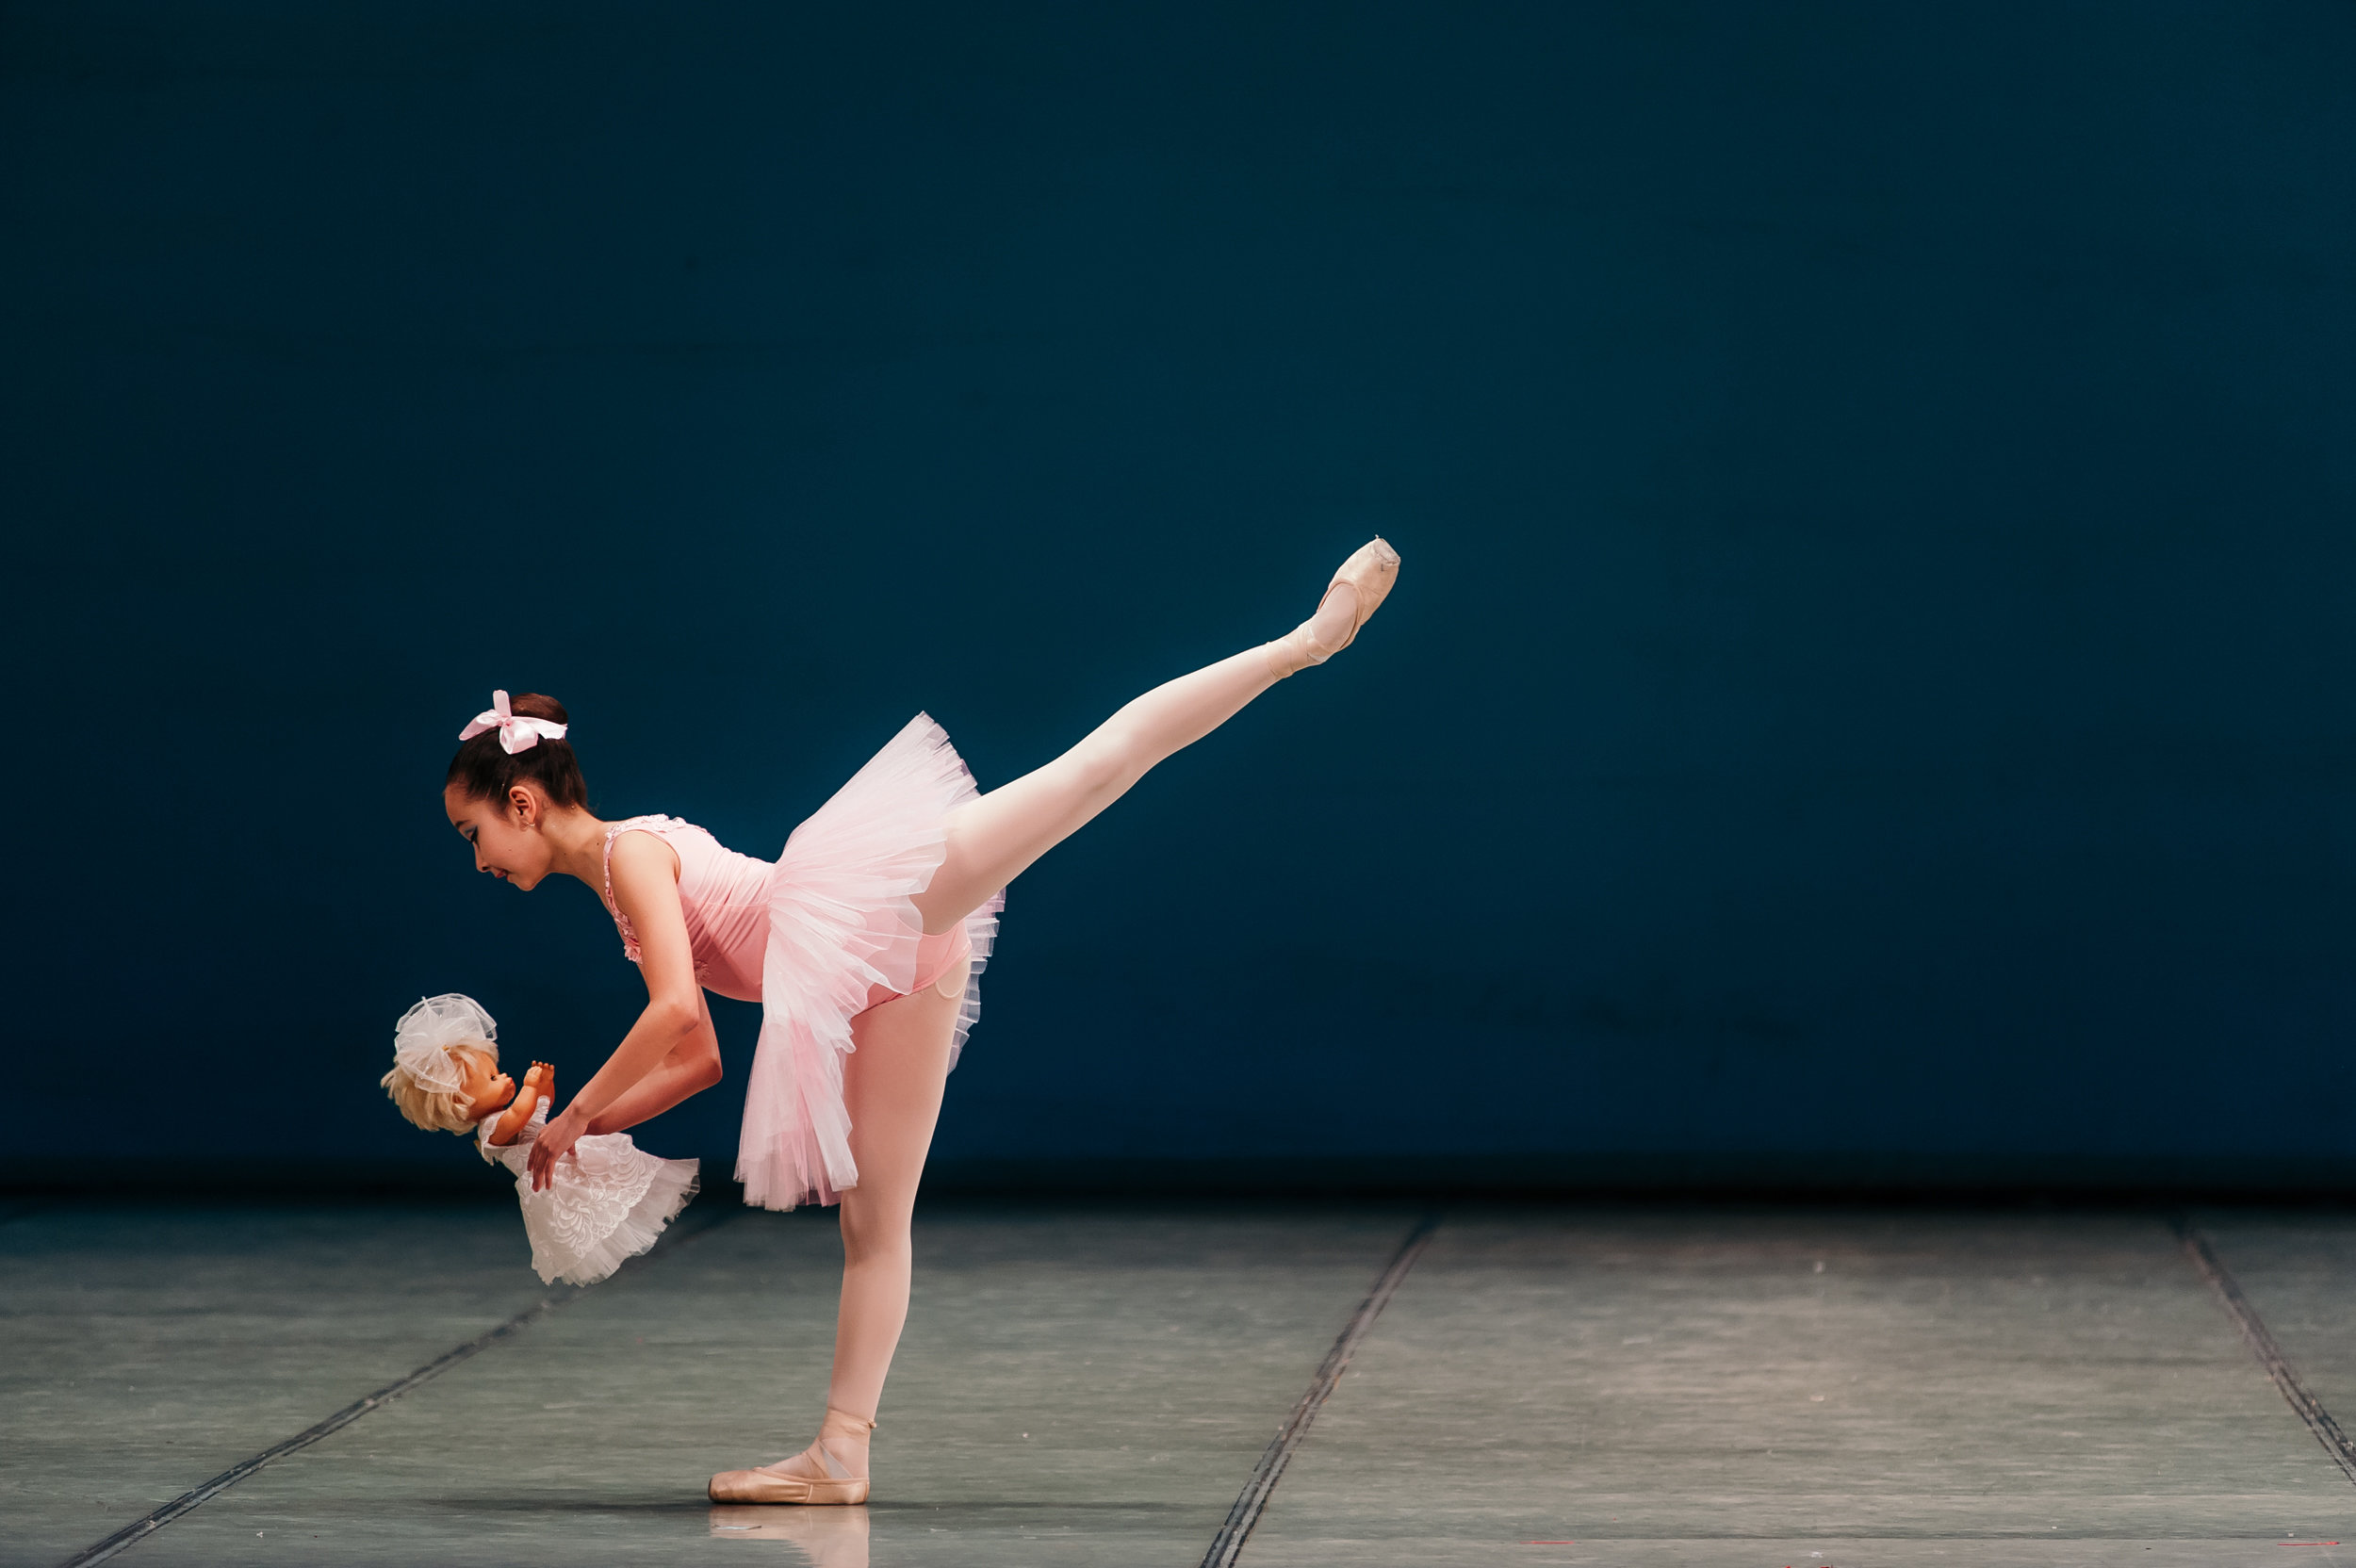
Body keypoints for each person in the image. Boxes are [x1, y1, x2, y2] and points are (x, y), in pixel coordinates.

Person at [437, 538, 1401, 1504]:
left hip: (878, 902)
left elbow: (677, 1008)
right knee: (873, 1222)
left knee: (1088, 772)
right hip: (884, 979)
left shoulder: (632, 856)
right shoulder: (617, 891)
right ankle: (840, 1455)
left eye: (473, 833)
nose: (476, 859)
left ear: (522, 802)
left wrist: (576, 1114)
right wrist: (580, 1130)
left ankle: (1305, 642)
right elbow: (698, 1061)